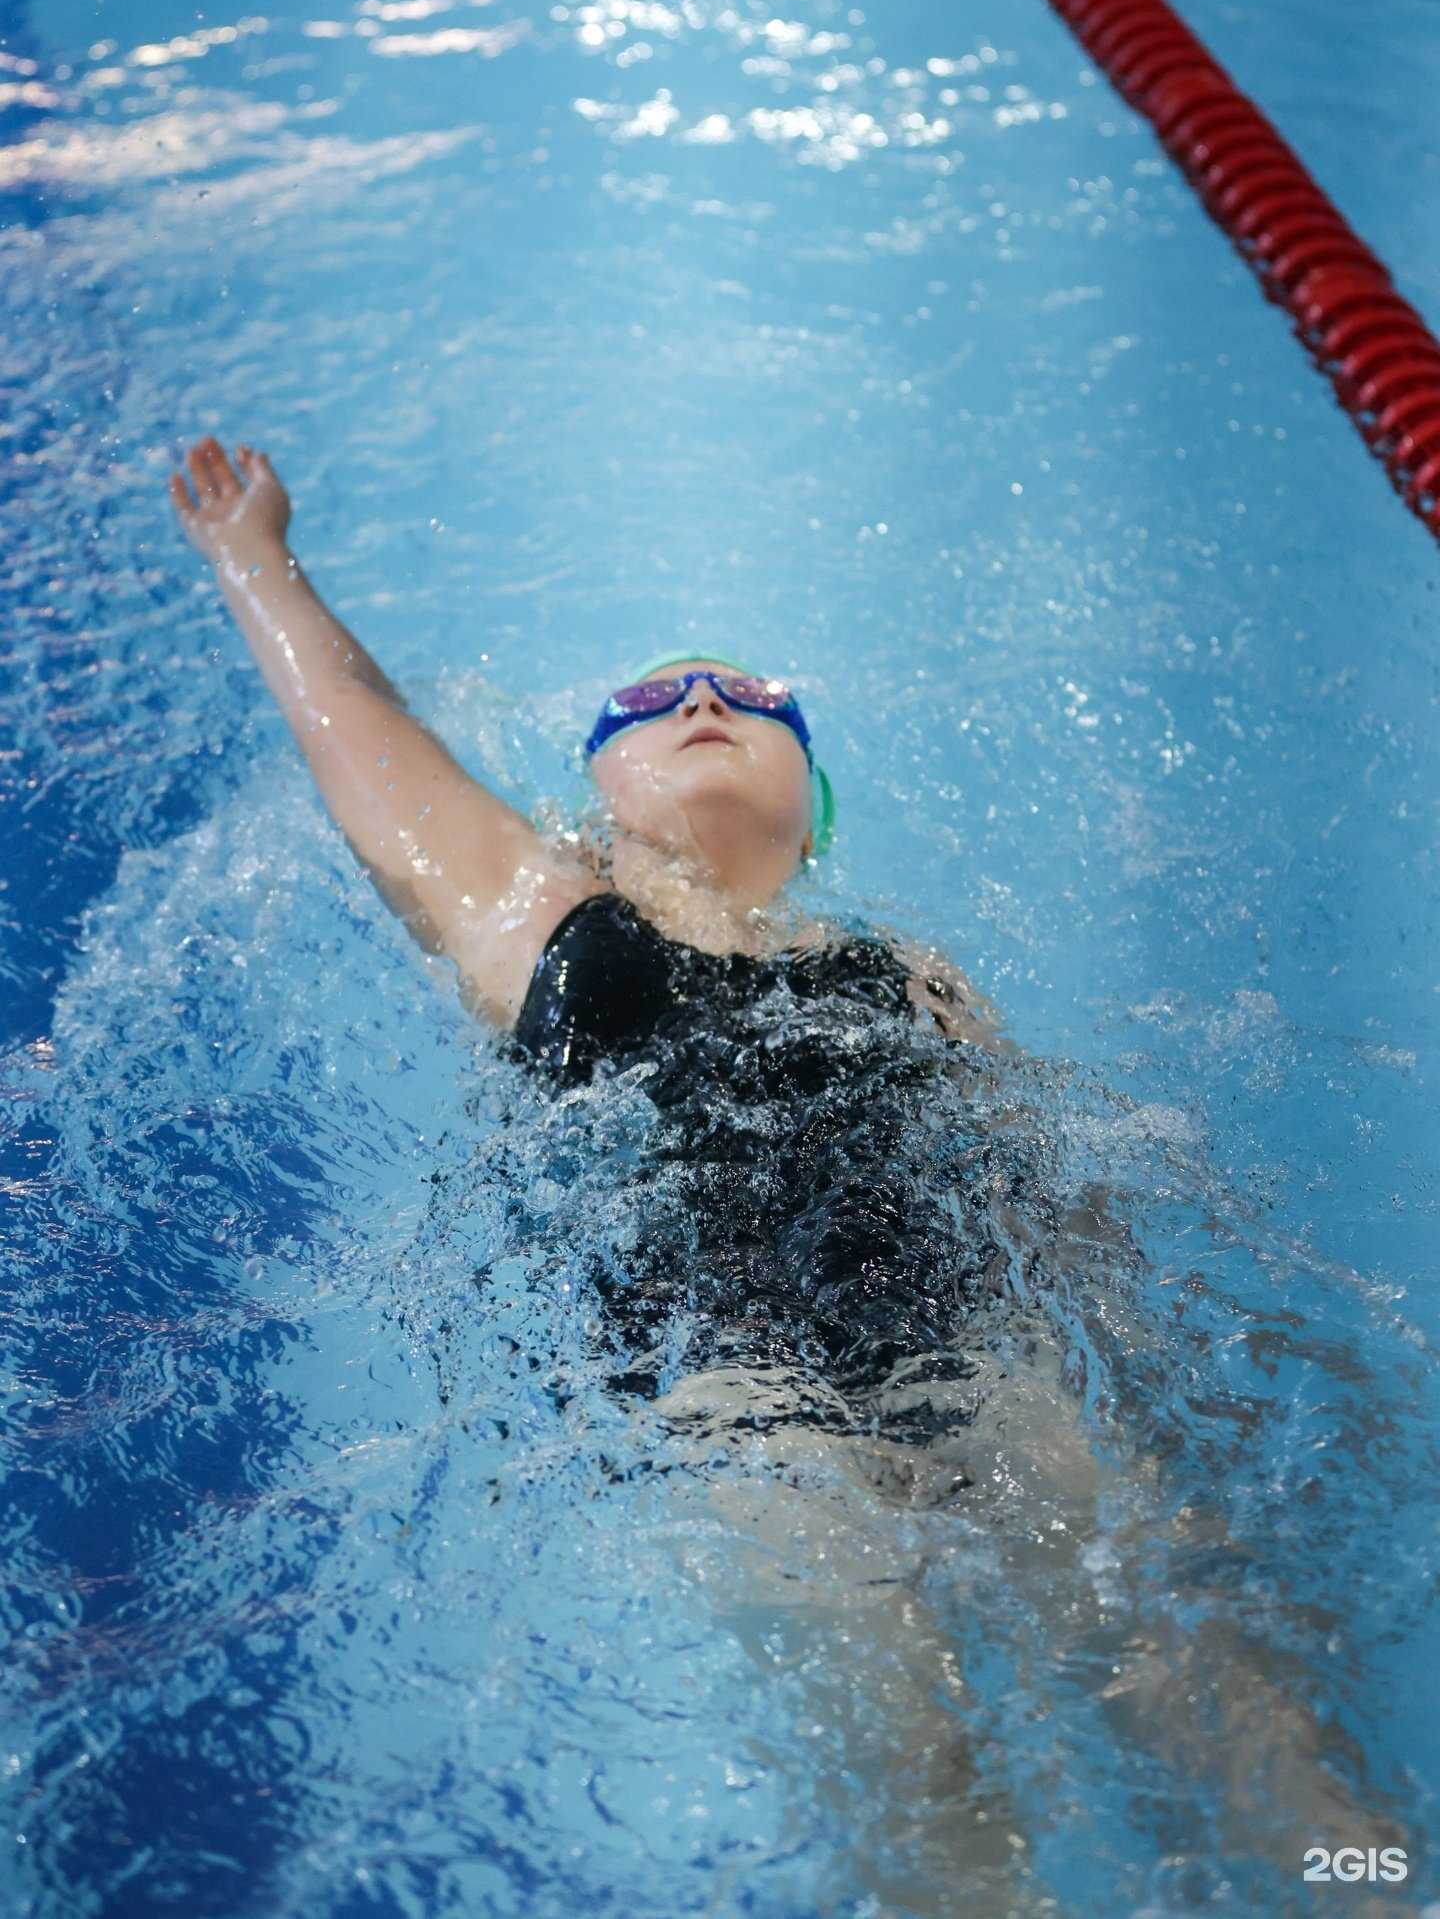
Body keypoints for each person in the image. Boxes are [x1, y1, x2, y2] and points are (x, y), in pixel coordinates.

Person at [168, 436, 1416, 1919]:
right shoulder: (535, 914)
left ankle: (1371, 1891)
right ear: (588, 795)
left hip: (971, 1348)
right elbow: (371, 759)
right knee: (908, 1740)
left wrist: (1155, 1381)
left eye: (754, 697)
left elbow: (1050, 1195)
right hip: (724, 1395)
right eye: (654, 701)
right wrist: (256, 563)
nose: (705, 702)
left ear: (814, 806)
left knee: (1185, 1658)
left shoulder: (913, 974)